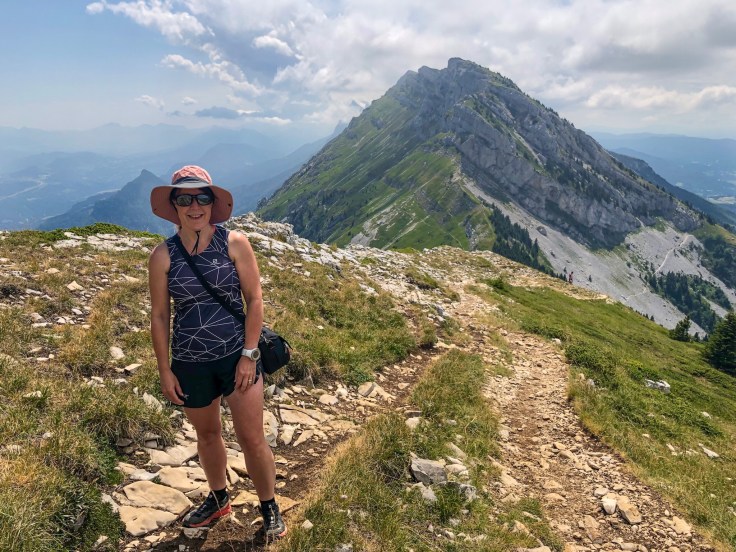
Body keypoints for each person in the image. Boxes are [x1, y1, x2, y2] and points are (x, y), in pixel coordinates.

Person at [148, 165, 287, 540]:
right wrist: (164, 370)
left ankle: (269, 505)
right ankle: (219, 499)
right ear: (174, 205)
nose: (195, 206)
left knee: (252, 438)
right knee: (207, 436)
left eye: (203, 198)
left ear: (213, 203)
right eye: (185, 199)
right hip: (189, 362)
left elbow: (254, 299)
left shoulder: (234, 243)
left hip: (236, 357)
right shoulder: (162, 255)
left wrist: (249, 354)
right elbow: (159, 316)